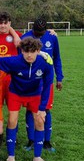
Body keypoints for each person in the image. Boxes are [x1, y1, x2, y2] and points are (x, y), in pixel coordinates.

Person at [0, 37, 54, 161]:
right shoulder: (14, 61)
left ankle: (37, 157)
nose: (29, 55)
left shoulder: (45, 63)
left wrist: (42, 108)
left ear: (38, 51)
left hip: (35, 95)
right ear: (21, 51)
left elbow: (47, 86)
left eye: (32, 51)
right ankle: (11, 156)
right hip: (15, 94)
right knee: (12, 121)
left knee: (40, 121)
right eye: (26, 51)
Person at [21, 17, 64, 152]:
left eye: (41, 33)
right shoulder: (25, 37)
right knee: (30, 110)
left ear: (46, 30)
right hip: (31, 80)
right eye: (37, 33)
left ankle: (47, 141)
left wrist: (59, 77)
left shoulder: (52, 37)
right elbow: (20, 59)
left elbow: (57, 58)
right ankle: (31, 140)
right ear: (32, 29)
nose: (39, 35)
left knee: (45, 109)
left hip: (46, 80)